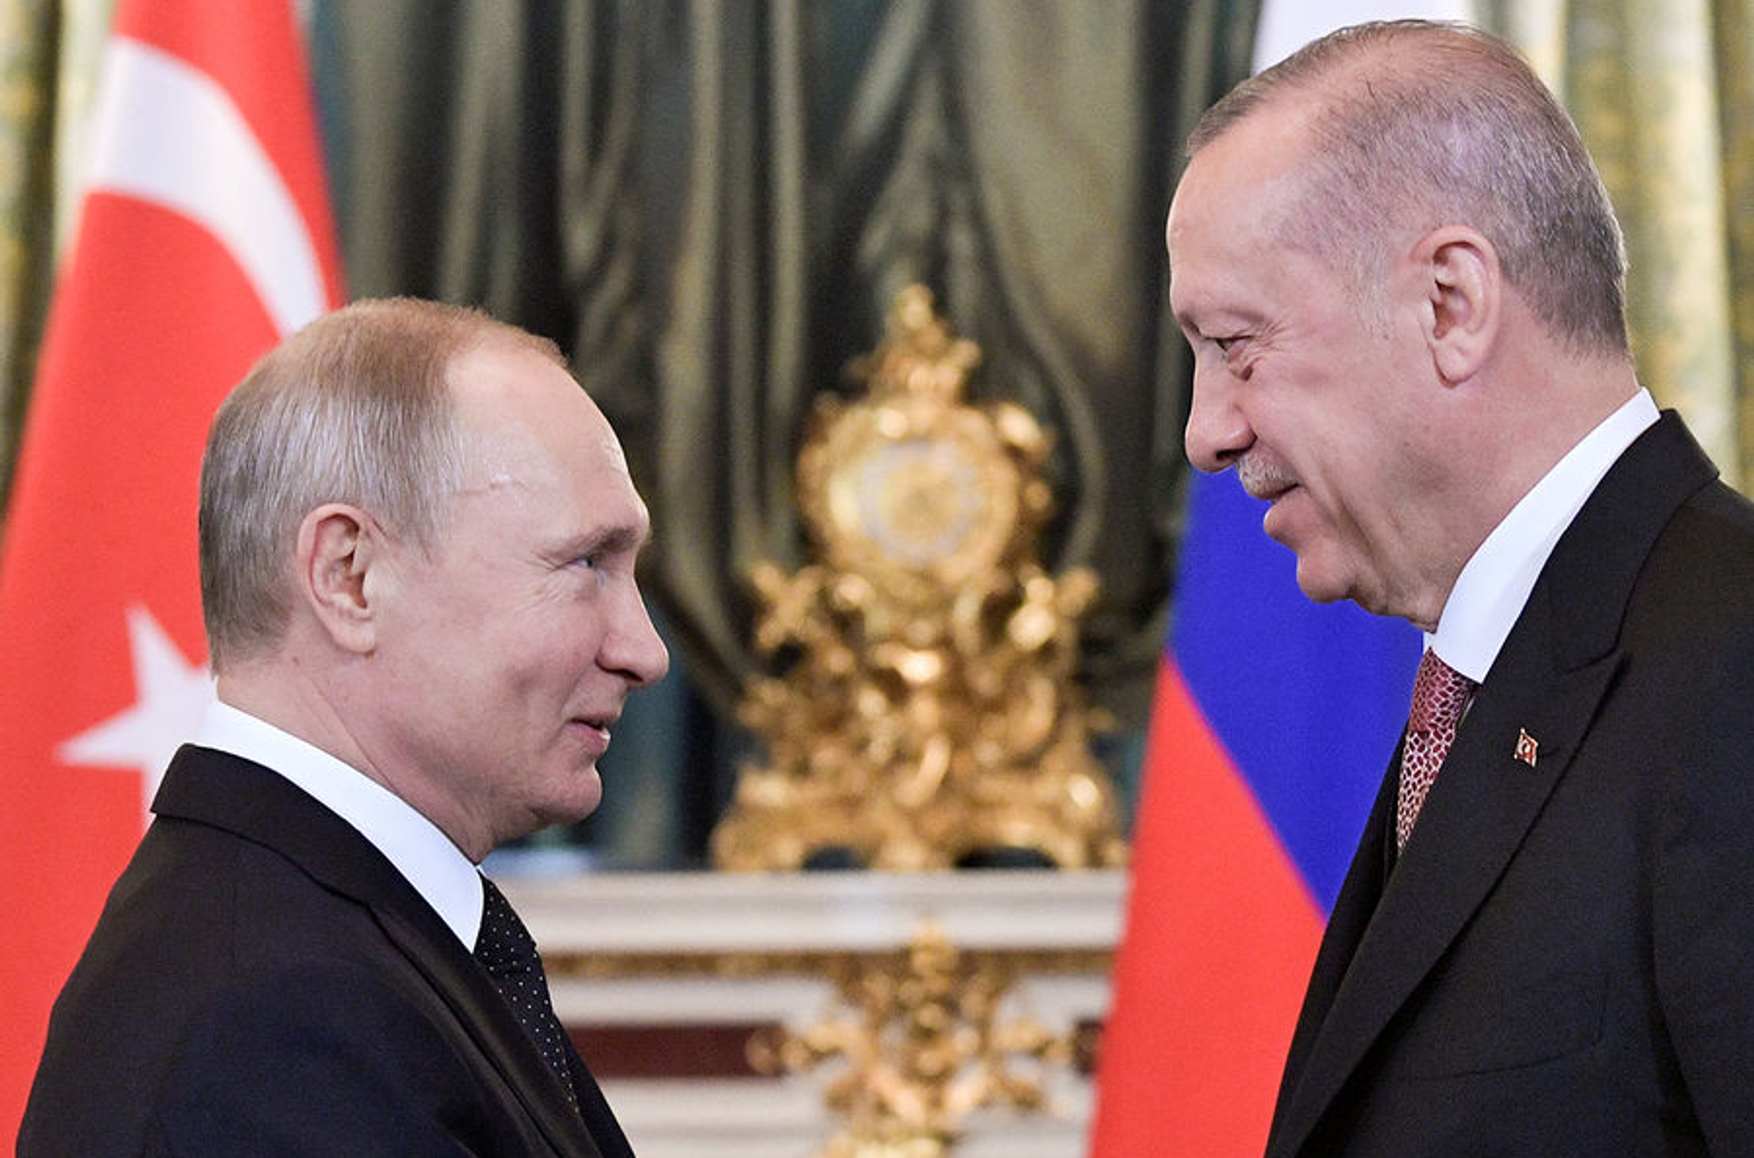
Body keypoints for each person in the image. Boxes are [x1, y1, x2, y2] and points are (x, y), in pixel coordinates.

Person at [1167, 19, 1754, 1158]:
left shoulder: (1733, 669)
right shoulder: (1492, 687)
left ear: (1448, 302)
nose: (1205, 433)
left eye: (1235, 344)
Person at [18, 297, 670, 1157]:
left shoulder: (313, 947)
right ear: (350, 576)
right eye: (585, 563)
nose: (644, 651)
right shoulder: (275, 1022)